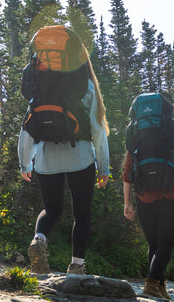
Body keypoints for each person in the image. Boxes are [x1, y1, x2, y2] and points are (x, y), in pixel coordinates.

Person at [18, 58, 110, 275]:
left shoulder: (38, 85)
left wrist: (24, 163)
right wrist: (104, 167)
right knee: (82, 213)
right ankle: (77, 266)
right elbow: (97, 129)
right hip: (81, 156)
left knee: (51, 209)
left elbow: (27, 127)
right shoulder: (85, 84)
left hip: (45, 156)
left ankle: (38, 240)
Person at [122, 100, 174, 300]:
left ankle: (160, 288)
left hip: (144, 197)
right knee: (166, 244)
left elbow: (127, 172)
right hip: (172, 196)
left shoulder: (136, 136)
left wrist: (127, 203)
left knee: (154, 244)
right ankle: (151, 283)